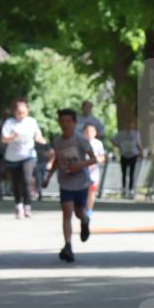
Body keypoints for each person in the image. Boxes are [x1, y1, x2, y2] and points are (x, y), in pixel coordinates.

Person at [43, 108, 97, 262]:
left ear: (74, 123)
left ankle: (85, 221)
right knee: (67, 213)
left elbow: (94, 159)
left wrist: (78, 166)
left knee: (79, 213)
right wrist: (48, 177)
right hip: (65, 183)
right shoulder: (58, 141)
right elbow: (56, 161)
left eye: (68, 121)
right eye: (62, 121)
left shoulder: (80, 139)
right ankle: (68, 246)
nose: (65, 124)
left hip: (81, 182)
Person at [1, 97, 46, 219]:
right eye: (18, 112)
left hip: (29, 156)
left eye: (23, 112)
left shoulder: (31, 122)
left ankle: (28, 206)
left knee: (27, 180)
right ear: (14, 112)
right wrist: (13, 136)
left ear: (27, 111)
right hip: (13, 157)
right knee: (16, 183)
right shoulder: (10, 123)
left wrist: (44, 142)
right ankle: (18, 205)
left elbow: (38, 136)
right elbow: (4, 139)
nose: (21, 115)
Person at [110, 122, 143, 198]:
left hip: (133, 155)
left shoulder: (136, 134)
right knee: (124, 173)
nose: (129, 127)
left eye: (131, 126)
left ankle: (131, 189)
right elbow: (113, 140)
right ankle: (124, 188)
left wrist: (141, 152)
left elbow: (139, 143)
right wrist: (119, 147)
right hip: (124, 155)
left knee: (132, 173)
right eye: (128, 126)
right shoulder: (121, 134)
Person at [83, 122, 105, 216]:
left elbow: (102, 156)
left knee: (92, 191)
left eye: (91, 131)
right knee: (83, 192)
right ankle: (82, 208)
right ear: (84, 132)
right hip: (82, 172)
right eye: (87, 131)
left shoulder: (98, 143)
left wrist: (95, 161)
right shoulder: (81, 142)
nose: (89, 133)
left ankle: (89, 210)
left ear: (95, 132)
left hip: (94, 172)